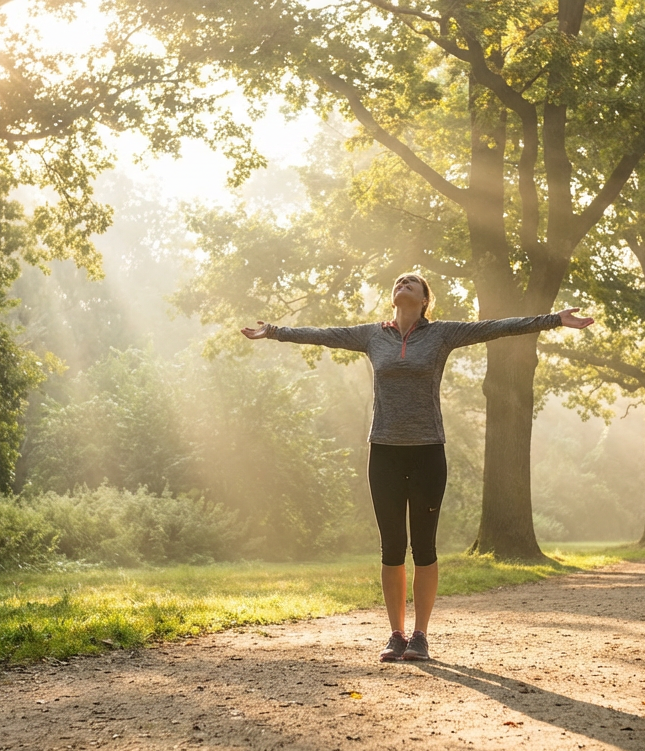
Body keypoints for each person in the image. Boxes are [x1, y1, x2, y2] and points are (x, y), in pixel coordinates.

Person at [242, 273, 593, 662]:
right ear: (394, 297)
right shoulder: (372, 335)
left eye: (413, 282)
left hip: (428, 450)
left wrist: (554, 319)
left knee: (423, 548)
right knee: (391, 548)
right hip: (384, 451)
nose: (404, 283)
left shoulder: (441, 334)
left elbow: (495, 327)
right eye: (399, 281)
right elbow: (323, 334)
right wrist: (274, 331)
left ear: (425, 299)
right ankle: (395, 635)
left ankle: (421, 636)